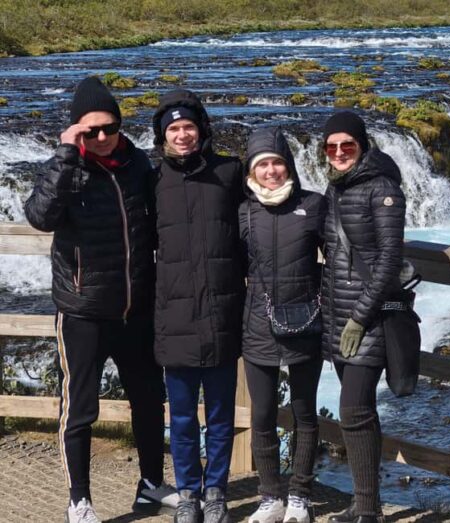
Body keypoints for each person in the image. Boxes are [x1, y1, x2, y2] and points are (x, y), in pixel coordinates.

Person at [24, 76, 177, 523]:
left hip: (135, 308)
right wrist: (66, 154)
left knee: (149, 401)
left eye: (110, 127)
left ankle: (150, 485)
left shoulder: (137, 164)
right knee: (80, 409)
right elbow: (40, 216)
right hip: (83, 311)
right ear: (76, 130)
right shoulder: (64, 167)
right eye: (91, 131)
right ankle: (79, 500)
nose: (103, 137)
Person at [151, 89, 245, 523]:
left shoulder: (229, 172)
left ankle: (216, 493)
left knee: (222, 416)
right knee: (183, 418)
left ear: (202, 129)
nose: (182, 135)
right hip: (174, 317)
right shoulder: (153, 181)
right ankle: (188, 492)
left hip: (222, 313)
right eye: (174, 129)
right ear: (163, 136)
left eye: (188, 126)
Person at [319, 111, 406, 523]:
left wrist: (359, 317)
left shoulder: (383, 188)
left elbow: (389, 260)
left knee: (354, 410)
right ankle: (365, 504)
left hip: (367, 319)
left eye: (347, 145)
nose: (339, 152)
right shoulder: (336, 186)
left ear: (362, 145)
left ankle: (369, 510)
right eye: (331, 147)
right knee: (359, 413)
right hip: (337, 314)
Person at [239, 127, 326, 523]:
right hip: (258, 324)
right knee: (262, 415)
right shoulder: (244, 212)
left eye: (277, 163)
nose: (271, 171)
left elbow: (339, 258)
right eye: (262, 165)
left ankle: (300, 497)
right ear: (251, 172)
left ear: (288, 165)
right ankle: (270, 497)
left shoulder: (314, 205)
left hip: (306, 322)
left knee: (304, 412)